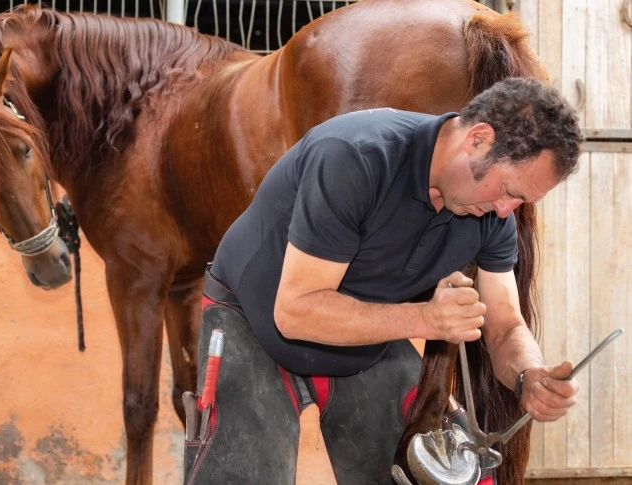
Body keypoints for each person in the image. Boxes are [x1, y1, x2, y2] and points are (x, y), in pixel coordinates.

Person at [183, 78, 583, 485]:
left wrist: (528, 375)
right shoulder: (354, 157)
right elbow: (294, 311)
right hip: (254, 318)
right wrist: (427, 319)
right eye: (508, 190)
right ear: (478, 140)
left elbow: (504, 327)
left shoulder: (492, 216)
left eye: (520, 202)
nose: (505, 210)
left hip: (365, 337)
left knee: (418, 475)